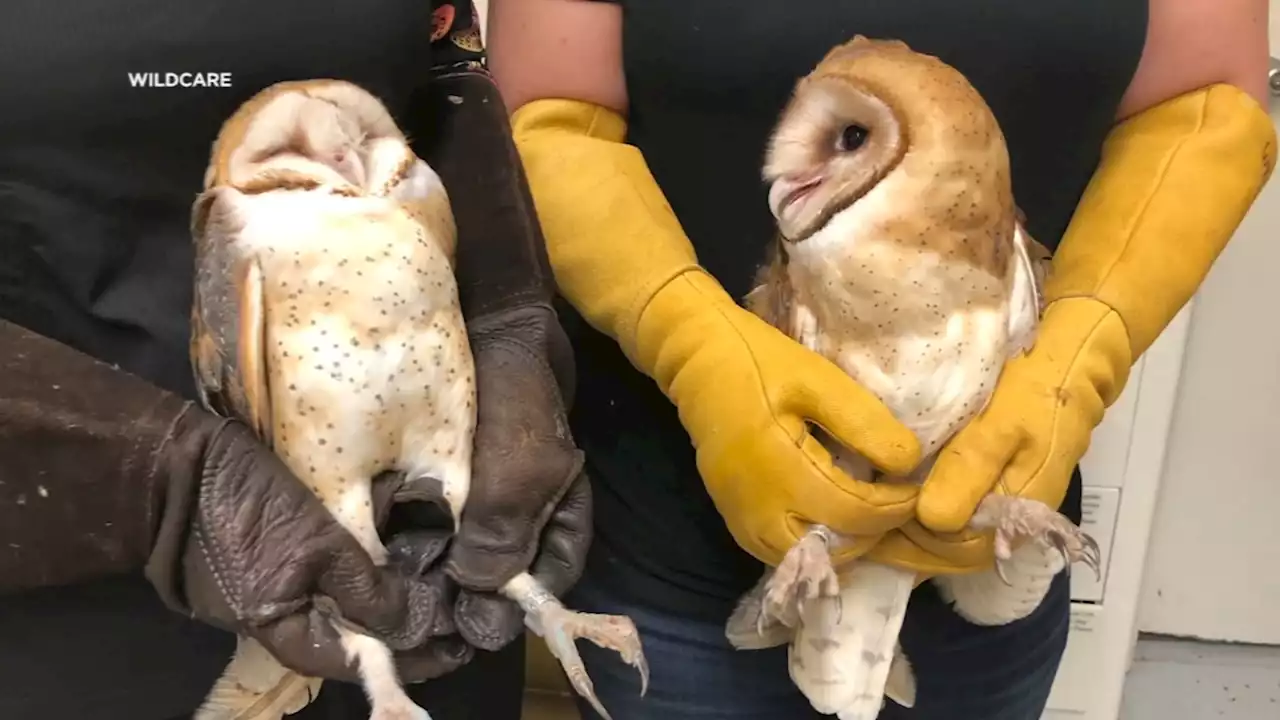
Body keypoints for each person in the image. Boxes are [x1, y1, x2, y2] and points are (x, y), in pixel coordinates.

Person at [488, 0, 1276, 718]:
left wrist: (1084, 350)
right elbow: (547, 113)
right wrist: (691, 342)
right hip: (677, 534)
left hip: (999, 507)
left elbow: (1204, 98)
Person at [0, 2, 590, 719]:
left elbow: (442, 70)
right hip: (66, 571)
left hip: (416, 549)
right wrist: (161, 487)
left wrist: (507, 313)